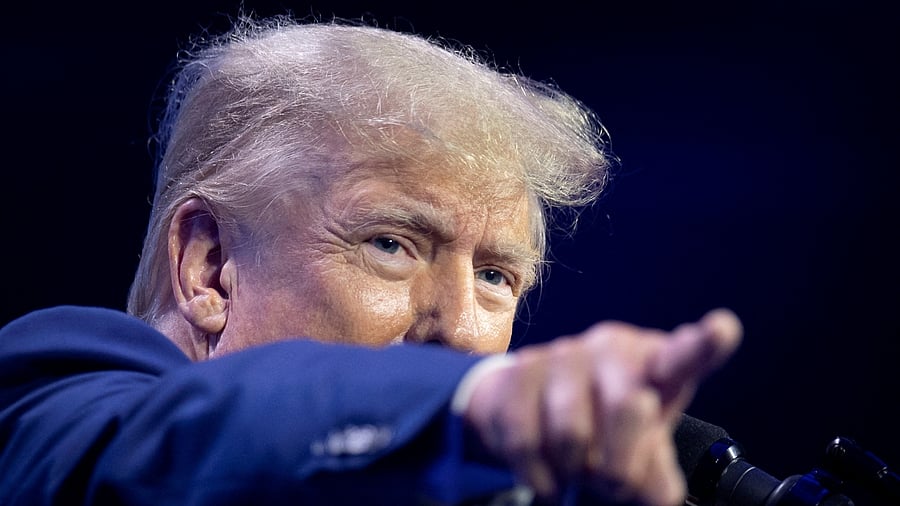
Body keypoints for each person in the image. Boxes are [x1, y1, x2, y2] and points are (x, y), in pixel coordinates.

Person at [0, 16, 742, 506]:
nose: (461, 331)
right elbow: (165, 441)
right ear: (210, 265)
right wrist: (471, 402)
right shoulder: (52, 401)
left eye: (494, 276)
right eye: (391, 245)